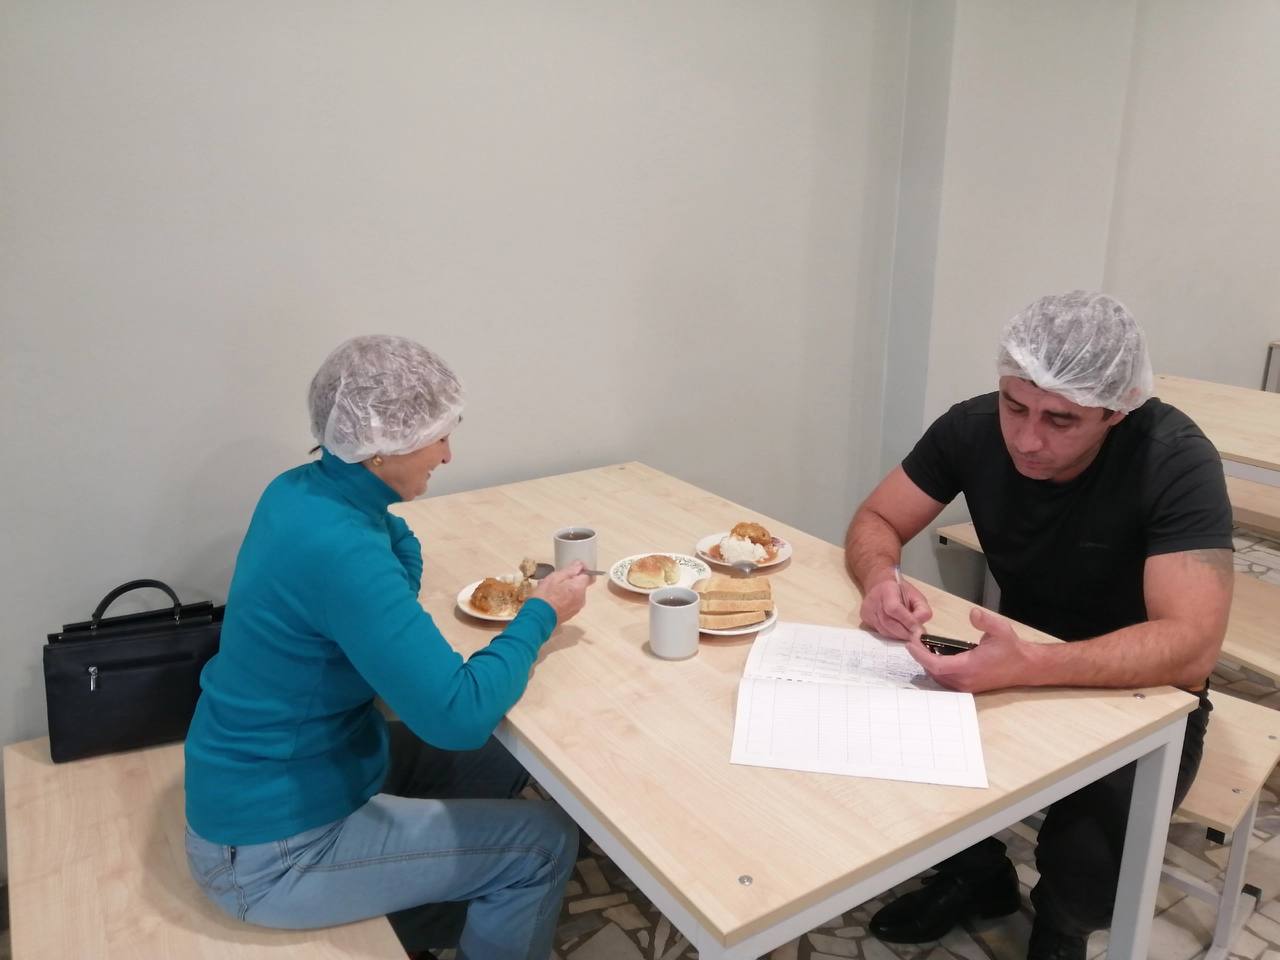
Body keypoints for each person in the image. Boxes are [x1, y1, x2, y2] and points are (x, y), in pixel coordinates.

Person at [844, 292, 1234, 960]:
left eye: (1062, 420)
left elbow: (1191, 648)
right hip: (1019, 656)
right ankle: (978, 878)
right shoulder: (970, 428)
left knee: (1088, 864)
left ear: (1116, 410)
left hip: (1144, 690)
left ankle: (1060, 931)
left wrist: (1030, 664)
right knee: (891, 737)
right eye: (1014, 406)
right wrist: (881, 577)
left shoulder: (1173, 459)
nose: (1027, 439)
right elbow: (877, 519)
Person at [184, 335, 594, 960]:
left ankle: (439, 903)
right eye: (438, 436)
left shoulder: (301, 491)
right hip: (272, 851)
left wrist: (393, 578)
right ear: (380, 445)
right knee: (543, 841)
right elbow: (457, 716)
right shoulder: (341, 550)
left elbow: (395, 544)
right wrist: (543, 612)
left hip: (301, 767)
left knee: (511, 759)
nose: (448, 453)